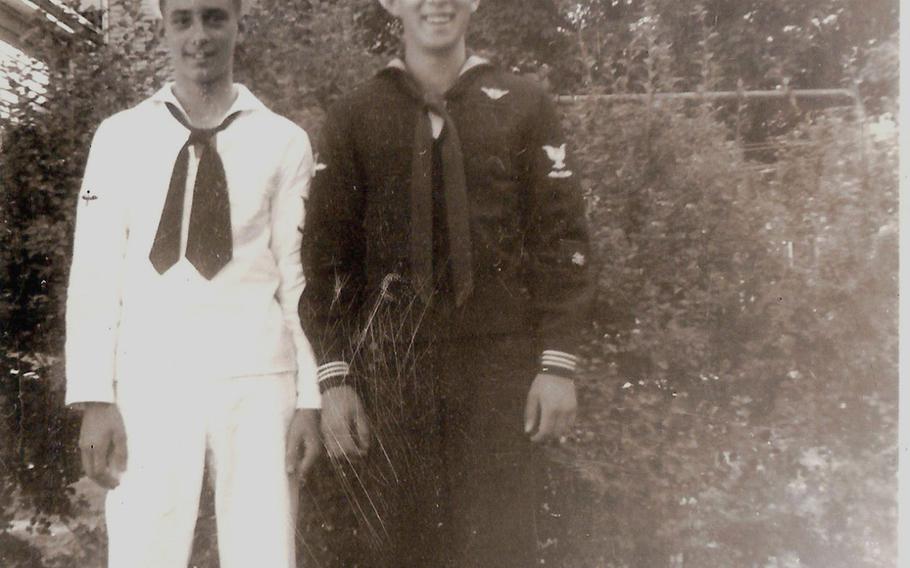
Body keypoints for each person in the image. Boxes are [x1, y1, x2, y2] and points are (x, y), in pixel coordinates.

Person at [299, 1, 593, 566]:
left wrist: (557, 366)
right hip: (392, 376)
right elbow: (326, 257)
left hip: (498, 372)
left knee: (500, 548)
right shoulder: (356, 115)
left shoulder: (525, 105)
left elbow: (563, 240)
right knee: (402, 550)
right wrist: (335, 379)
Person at [65, 0, 321, 566]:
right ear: (164, 27)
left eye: (214, 17)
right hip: (151, 380)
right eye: (183, 19)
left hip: (259, 381)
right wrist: (95, 398)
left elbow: (299, 277)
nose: (199, 35)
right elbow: (95, 272)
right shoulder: (120, 137)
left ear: (238, 24)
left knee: (264, 553)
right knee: (142, 553)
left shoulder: (284, 142)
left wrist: (308, 398)